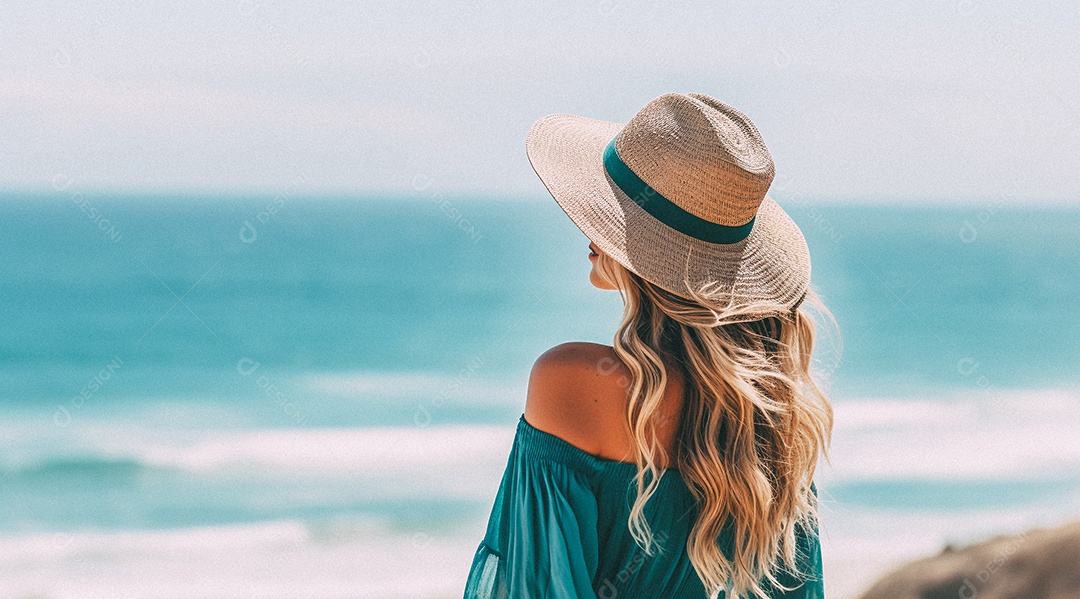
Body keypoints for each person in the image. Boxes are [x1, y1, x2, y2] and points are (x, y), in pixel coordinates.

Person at [463, 92, 834, 598]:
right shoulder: (773, 429)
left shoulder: (572, 382)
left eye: (609, 210)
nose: (586, 225)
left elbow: (530, 585)